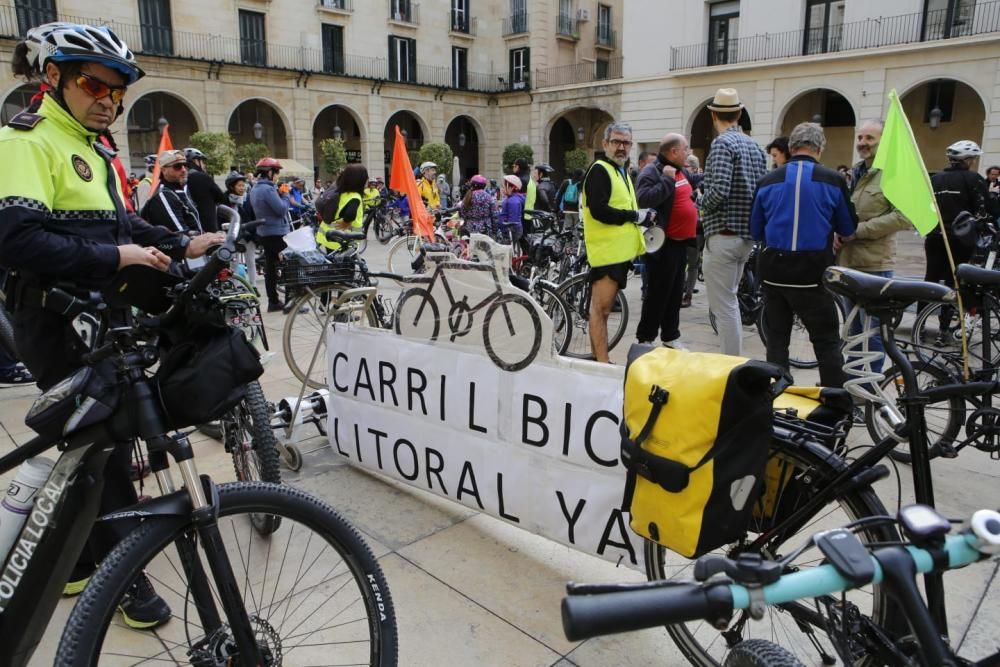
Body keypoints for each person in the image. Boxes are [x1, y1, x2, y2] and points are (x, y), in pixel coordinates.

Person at [0, 22, 223, 628]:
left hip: (101, 320)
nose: (109, 99)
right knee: (101, 452)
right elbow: (17, 239)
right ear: (53, 77)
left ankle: (73, 563)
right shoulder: (29, 139)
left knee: (94, 449)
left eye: (119, 91)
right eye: (95, 84)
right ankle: (126, 583)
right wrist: (114, 259)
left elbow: (123, 231)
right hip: (55, 322)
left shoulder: (95, 150)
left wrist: (183, 242)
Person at [751, 122, 857, 387]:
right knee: (826, 341)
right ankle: (833, 402)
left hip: (774, 271)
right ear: (819, 148)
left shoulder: (767, 180)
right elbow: (848, 228)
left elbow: (755, 229)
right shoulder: (833, 179)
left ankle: (778, 397)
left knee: (777, 341)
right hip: (812, 274)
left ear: (791, 147)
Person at [835, 118, 912, 374]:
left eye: (870, 138)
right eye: (860, 138)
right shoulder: (857, 172)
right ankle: (854, 383)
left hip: (874, 266)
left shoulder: (892, 174)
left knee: (872, 333)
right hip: (849, 263)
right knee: (853, 331)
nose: (863, 143)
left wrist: (856, 232)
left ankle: (870, 388)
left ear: (883, 141)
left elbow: (903, 216)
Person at [700, 88, 768, 356]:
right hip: (746, 236)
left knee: (725, 306)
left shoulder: (722, 144)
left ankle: (730, 365)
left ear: (714, 115)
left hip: (724, 233)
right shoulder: (755, 146)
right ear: (739, 114)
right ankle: (732, 360)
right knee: (730, 303)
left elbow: (719, 190)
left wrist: (700, 204)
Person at [581, 121, 651, 363]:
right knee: (600, 311)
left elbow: (622, 206)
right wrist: (634, 216)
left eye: (626, 142)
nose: (621, 147)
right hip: (606, 254)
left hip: (618, 253)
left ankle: (600, 359)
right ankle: (602, 363)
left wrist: (640, 217)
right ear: (605, 144)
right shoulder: (600, 169)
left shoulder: (621, 170)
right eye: (616, 141)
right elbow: (599, 210)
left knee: (605, 310)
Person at [635, 132, 699, 349]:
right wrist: (666, 179)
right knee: (657, 295)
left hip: (681, 244)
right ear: (673, 152)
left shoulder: (682, 172)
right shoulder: (652, 172)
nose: (688, 153)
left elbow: (688, 196)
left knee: (674, 293)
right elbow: (643, 199)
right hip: (663, 244)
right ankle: (646, 338)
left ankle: (671, 336)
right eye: (685, 149)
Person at [248, 156, 292, 312]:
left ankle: (273, 302)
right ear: (269, 172)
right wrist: (285, 195)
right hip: (276, 233)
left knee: (271, 268)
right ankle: (290, 303)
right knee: (290, 264)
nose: (278, 175)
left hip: (264, 232)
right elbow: (281, 210)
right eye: (277, 172)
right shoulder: (267, 189)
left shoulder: (255, 188)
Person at [141, 149, 203, 233]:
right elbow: (181, 233)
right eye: (177, 166)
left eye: (185, 165)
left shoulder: (180, 189)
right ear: (163, 170)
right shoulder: (164, 194)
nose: (184, 169)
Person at [316, 163, 367, 252]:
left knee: (334, 263)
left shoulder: (341, 191)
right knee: (345, 265)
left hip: (329, 236)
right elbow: (350, 214)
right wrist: (346, 222)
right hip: (341, 239)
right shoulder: (354, 196)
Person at [183, 146, 227, 232]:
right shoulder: (203, 177)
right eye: (202, 161)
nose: (204, 165)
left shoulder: (181, 179)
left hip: (189, 227)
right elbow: (221, 197)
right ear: (195, 161)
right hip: (207, 227)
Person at [498, 174, 525, 244]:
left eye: (504, 186)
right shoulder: (510, 198)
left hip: (510, 233)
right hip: (508, 231)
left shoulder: (513, 201)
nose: (502, 188)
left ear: (512, 187)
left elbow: (513, 222)